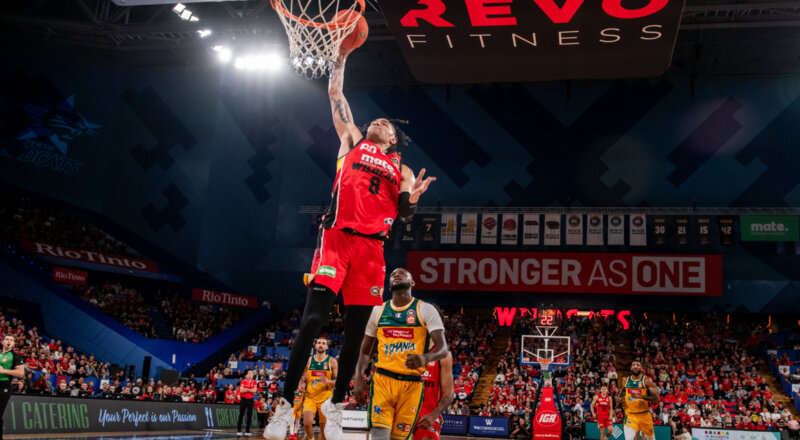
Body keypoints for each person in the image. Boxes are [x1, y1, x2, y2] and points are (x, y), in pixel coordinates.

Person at [264, 43, 436, 440]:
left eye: (386, 124)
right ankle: (285, 405)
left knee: (358, 335)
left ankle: (337, 405)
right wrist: (340, 58)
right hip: (337, 239)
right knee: (311, 322)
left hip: (372, 250)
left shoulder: (402, 168)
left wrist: (413, 198)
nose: (378, 122)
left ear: (393, 139)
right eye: (375, 120)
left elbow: (405, 212)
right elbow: (335, 95)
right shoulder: (352, 142)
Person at [353, 268, 448, 440]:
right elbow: (365, 351)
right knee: (379, 435)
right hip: (383, 381)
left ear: (412, 283)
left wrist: (425, 358)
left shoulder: (425, 309)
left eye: (402, 273)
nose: (396, 275)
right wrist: (358, 379)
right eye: (393, 274)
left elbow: (442, 349)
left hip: (411, 386)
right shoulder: (378, 311)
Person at [412, 345, 454, 440]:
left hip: (427, 417)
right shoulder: (405, 349)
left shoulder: (444, 355)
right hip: (403, 414)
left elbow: (449, 394)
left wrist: (434, 415)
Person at [302, 338, 338, 440]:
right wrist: (301, 384)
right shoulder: (309, 360)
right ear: (315, 346)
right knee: (307, 423)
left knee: (324, 431)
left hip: (325, 399)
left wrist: (329, 381)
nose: (321, 345)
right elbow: (302, 376)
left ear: (327, 347)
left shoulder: (332, 361)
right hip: (310, 397)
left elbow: (340, 382)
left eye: (323, 343)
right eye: (319, 343)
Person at [620, 360, 660, 440]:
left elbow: (656, 399)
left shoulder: (647, 381)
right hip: (630, 415)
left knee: (651, 439)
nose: (635, 366)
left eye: (637, 365)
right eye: (633, 365)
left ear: (641, 368)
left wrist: (640, 396)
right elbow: (622, 393)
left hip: (644, 415)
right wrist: (621, 395)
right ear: (631, 368)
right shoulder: (625, 380)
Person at [1, 335, 25, 440]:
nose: (9, 341)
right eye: (7, 339)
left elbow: (21, 373)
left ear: (14, 343)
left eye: (11, 340)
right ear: (2, 342)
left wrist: (4, 371)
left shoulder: (15, 356)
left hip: (3, 385)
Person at [238, 370, 258, 436]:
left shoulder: (254, 382)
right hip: (243, 399)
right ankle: (239, 430)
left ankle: (247, 430)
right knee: (241, 414)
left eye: (251, 373)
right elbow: (241, 390)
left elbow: (254, 390)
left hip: (250, 399)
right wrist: (250, 390)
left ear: (253, 375)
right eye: (249, 373)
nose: (250, 374)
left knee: (249, 415)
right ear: (247, 374)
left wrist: (246, 389)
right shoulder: (244, 381)